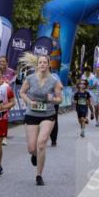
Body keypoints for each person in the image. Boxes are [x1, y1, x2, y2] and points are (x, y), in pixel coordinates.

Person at [19, 53, 63, 186]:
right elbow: (22, 92)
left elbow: (60, 99)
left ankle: (39, 175)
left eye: (45, 62)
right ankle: (34, 155)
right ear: (37, 65)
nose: (43, 64)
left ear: (49, 64)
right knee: (32, 148)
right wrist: (29, 101)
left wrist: (53, 99)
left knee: (41, 143)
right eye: (40, 62)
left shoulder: (55, 80)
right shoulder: (30, 78)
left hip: (48, 114)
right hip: (32, 113)